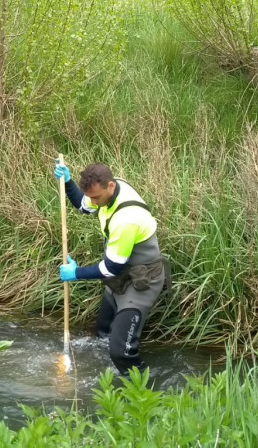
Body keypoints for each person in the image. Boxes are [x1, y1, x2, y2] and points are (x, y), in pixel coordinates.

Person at [53, 160, 170, 374]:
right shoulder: (104, 191)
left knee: (121, 353)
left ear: (111, 187)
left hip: (142, 280)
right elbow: (82, 206)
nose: (93, 202)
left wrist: (75, 273)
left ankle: (146, 389)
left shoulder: (127, 219)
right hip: (120, 275)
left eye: (95, 197)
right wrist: (68, 182)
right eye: (90, 196)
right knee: (103, 331)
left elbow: (111, 268)